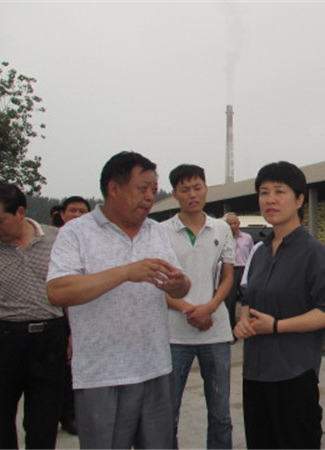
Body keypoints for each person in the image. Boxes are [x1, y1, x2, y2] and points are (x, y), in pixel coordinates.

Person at [46, 151, 191, 449]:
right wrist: (125, 272)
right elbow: (58, 291)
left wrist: (179, 285)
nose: (150, 197)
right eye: (143, 188)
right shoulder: (76, 232)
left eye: (154, 189)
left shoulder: (156, 232)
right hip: (102, 374)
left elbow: (180, 287)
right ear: (114, 188)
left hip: (155, 368)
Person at [233, 161, 325, 448]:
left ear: (299, 200)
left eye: (279, 191)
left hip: (294, 374)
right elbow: (248, 299)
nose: (270, 199)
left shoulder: (312, 252)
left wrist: (277, 326)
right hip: (255, 373)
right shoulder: (260, 252)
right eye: (264, 192)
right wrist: (243, 320)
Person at [0, 183, 68, 449]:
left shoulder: (57, 240)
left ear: (20, 212)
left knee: (44, 422)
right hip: (2, 340)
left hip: (50, 339)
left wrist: (73, 335)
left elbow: (70, 291)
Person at [163, 164, 234, 449]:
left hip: (215, 331)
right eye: (185, 189)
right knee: (168, 413)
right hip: (174, 335)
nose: (192, 195)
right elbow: (157, 283)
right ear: (174, 194)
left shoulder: (222, 228)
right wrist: (188, 310)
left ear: (206, 188)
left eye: (197, 187)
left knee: (220, 413)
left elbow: (228, 276)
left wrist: (210, 307)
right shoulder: (161, 231)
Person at [57, 194, 92, 436]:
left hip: (80, 313)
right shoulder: (53, 241)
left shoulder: (91, 243)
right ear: (62, 214)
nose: (77, 215)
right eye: (73, 211)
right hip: (55, 314)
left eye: (82, 211)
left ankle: (72, 415)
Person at [223, 212, 254, 331]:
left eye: (234, 223)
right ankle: (230, 329)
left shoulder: (247, 238)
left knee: (248, 298)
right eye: (230, 223)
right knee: (229, 301)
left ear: (239, 224)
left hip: (245, 269)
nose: (232, 226)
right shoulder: (224, 239)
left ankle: (250, 325)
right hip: (230, 270)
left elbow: (252, 254)